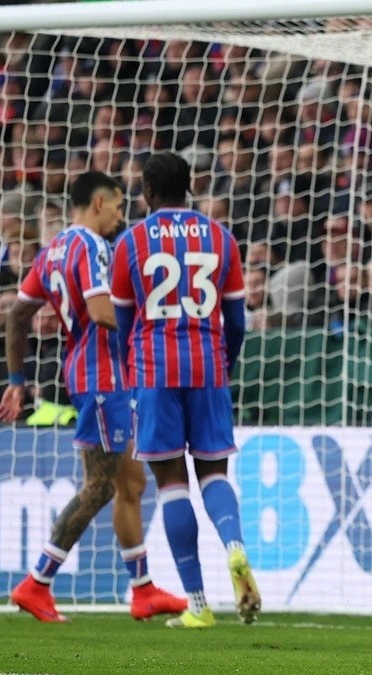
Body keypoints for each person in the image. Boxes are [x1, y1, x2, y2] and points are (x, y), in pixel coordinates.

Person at [2, 170, 188, 622]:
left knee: (131, 482)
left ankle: (143, 589)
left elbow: (18, 315)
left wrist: (16, 379)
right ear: (100, 203)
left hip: (90, 374)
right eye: (120, 206)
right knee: (100, 485)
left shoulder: (53, 250)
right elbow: (104, 313)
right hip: (103, 377)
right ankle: (37, 582)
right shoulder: (92, 247)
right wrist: (153, 328)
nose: (122, 216)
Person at [109, 152, 259, 629]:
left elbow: (122, 323)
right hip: (209, 366)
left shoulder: (131, 242)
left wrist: (131, 370)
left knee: (172, 485)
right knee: (214, 475)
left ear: (148, 191)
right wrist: (223, 364)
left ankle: (197, 604)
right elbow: (237, 321)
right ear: (190, 186)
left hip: (155, 371)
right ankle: (234, 547)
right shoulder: (221, 237)